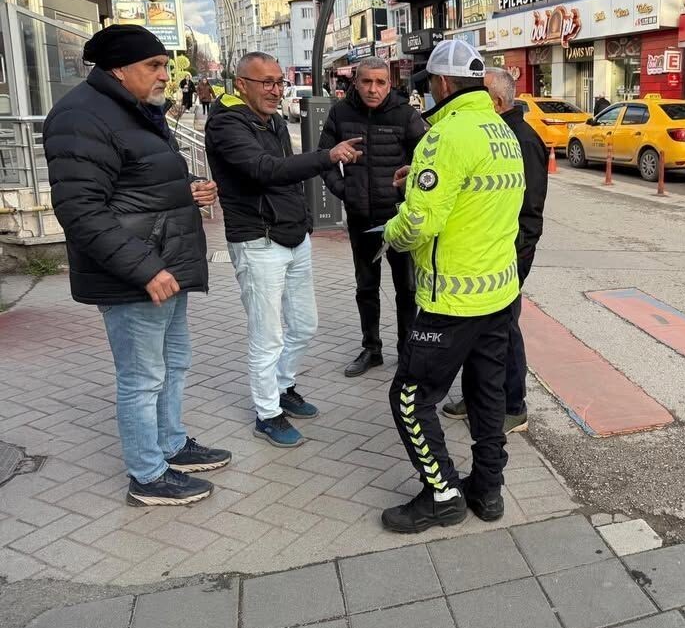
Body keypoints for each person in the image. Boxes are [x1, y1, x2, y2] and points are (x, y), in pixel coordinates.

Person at [43, 25, 231, 507]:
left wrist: (188, 187)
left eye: (165, 65)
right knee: (142, 377)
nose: (165, 75)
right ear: (119, 69)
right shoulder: (81, 116)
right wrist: (145, 268)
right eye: (154, 66)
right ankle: (147, 476)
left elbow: (139, 181)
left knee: (174, 363)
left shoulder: (136, 108)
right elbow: (81, 210)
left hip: (166, 265)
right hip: (135, 276)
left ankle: (171, 444)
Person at [380, 39, 525, 533]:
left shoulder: (443, 137)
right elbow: (475, 199)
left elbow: (420, 222)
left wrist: (391, 235)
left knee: (409, 397)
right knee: (487, 396)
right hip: (498, 294)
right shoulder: (503, 131)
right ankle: (488, 490)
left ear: (441, 83)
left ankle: (442, 495)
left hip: (452, 300)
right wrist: (419, 180)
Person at [204, 52, 365, 448]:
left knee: (305, 324)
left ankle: (282, 386)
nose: (276, 90)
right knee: (268, 336)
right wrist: (327, 156)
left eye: (279, 82)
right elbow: (265, 170)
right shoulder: (225, 123)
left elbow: (287, 177)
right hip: (257, 241)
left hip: (293, 236)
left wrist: (305, 219)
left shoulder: (273, 121)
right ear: (241, 84)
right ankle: (267, 414)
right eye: (267, 82)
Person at [442, 67, 547, 433]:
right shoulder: (491, 133)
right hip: (484, 252)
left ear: (498, 102)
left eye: (480, 93)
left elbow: (530, 211)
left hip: (508, 254)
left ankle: (513, 406)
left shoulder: (522, 140)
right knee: (478, 331)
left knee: (505, 331)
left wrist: (517, 258)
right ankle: (477, 398)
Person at [319, 57, 427, 377]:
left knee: (406, 289)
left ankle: (406, 351)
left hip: (398, 221)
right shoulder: (340, 113)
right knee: (366, 287)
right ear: (356, 82)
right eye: (366, 81)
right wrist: (344, 190)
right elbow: (324, 158)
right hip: (361, 220)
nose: (373, 89)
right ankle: (371, 349)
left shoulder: (405, 115)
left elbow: (427, 163)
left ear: (389, 84)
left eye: (380, 82)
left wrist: (409, 191)